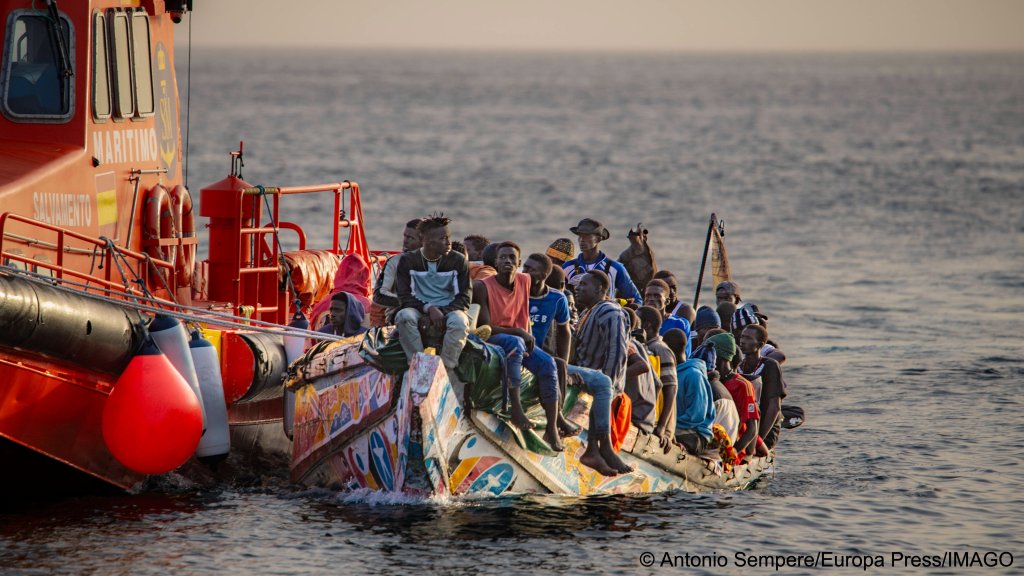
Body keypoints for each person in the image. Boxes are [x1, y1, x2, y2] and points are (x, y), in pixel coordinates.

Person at [474, 242, 563, 450]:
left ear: (519, 263)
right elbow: (486, 328)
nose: (507, 261)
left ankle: (552, 428)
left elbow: (543, 288)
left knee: (549, 363)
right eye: (502, 257)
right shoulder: (483, 286)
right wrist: (519, 332)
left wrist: (528, 334)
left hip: (522, 340)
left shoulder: (525, 280)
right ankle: (516, 409)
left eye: (512, 258)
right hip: (496, 339)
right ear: (495, 262)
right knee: (515, 343)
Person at [570, 271, 634, 475]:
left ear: (599, 289)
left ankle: (602, 448)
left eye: (584, 285)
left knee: (602, 384)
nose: (578, 288)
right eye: (578, 285)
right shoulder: (586, 312)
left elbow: (617, 350)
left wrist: (609, 384)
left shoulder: (609, 311)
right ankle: (593, 450)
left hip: (601, 380)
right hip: (585, 375)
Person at [395, 214, 471, 372]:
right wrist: (429, 309)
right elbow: (404, 297)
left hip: (449, 309)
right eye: (443, 238)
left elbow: (463, 298)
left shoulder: (458, 261)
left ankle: (445, 369)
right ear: (427, 241)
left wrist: (441, 312)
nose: (449, 243)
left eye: (448, 237)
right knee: (404, 317)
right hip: (418, 309)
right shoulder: (408, 261)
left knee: (459, 322)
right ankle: (417, 365)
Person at [524, 252, 579, 438]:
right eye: (524, 267)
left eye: (530, 270)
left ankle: (556, 420)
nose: (524, 272)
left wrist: (564, 359)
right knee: (549, 363)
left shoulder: (556, 299)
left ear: (542, 276)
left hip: (539, 351)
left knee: (560, 365)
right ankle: (558, 421)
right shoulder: (517, 291)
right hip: (521, 348)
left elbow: (565, 331)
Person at [705, 333, 760, 461]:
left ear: (720, 357)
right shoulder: (711, 379)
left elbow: (752, 428)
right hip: (711, 441)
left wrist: (734, 451)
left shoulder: (743, 385)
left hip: (731, 446)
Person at [562, 218, 643, 304]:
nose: (582, 240)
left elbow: (637, 300)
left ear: (598, 239)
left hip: (605, 315)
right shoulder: (568, 267)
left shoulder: (615, 268)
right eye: (580, 236)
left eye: (587, 236)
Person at [662, 328, 715, 456]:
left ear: (669, 350)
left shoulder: (693, 375)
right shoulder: (671, 371)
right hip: (677, 427)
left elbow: (696, 416)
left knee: (663, 436)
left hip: (695, 434)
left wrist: (668, 426)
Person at [738, 324, 787, 450]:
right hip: (747, 426)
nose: (743, 341)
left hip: (764, 430)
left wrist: (758, 439)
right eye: (742, 337)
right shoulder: (738, 365)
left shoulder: (770, 366)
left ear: (760, 344)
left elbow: (774, 407)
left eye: (748, 338)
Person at [637, 306, 677, 445]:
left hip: (657, 423)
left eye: (637, 321)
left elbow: (671, 389)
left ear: (646, 325)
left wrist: (662, 427)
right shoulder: (644, 346)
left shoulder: (660, 349)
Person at [372, 218, 423, 325]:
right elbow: (378, 296)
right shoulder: (394, 263)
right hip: (398, 319)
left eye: (410, 238)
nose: (405, 240)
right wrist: (409, 302)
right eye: (404, 236)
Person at [643, 279, 691, 357]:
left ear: (667, 301)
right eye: (648, 295)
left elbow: (685, 354)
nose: (651, 299)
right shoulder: (639, 321)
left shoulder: (680, 323)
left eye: (656, 295)